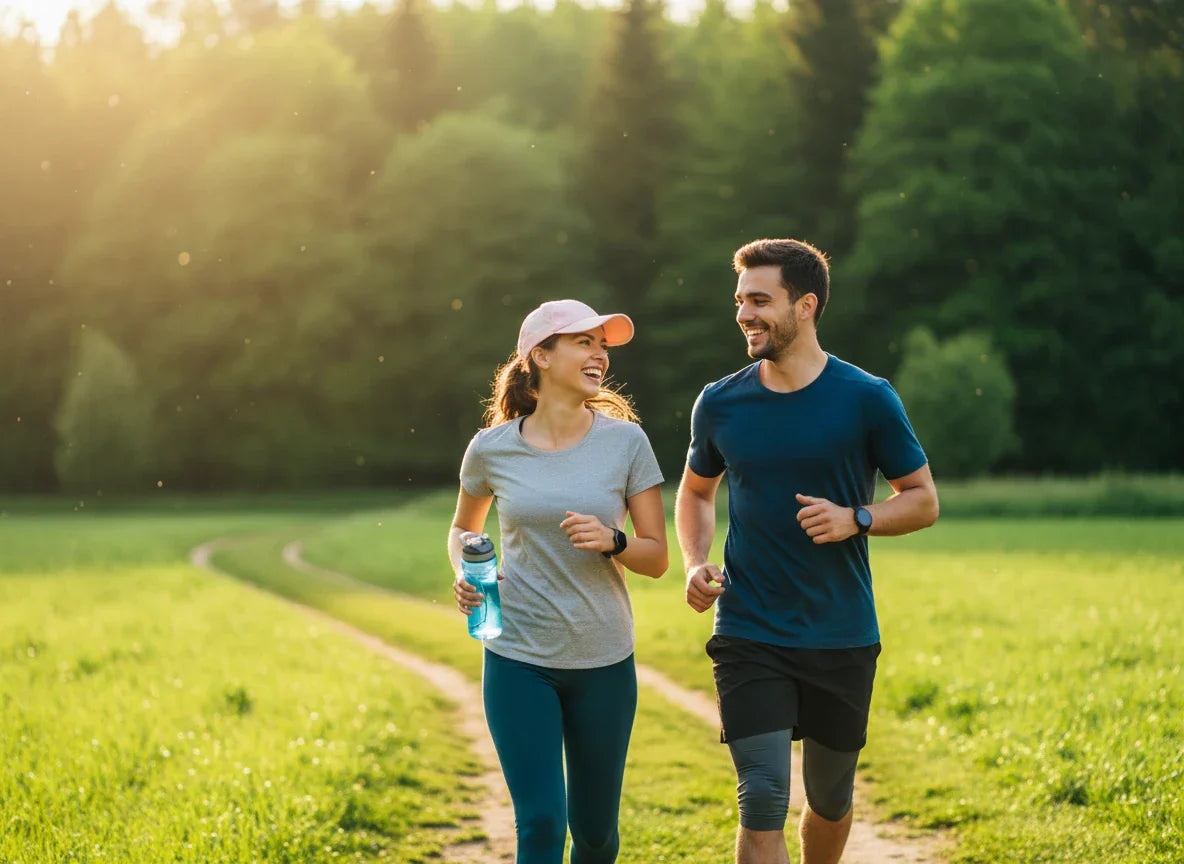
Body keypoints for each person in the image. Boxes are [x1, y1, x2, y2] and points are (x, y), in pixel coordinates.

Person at [675, 239, 939, 864]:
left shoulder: (867, 397)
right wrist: (694, 559)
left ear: (807, 305)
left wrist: (859, 518)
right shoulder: (720, 402)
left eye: (760, 300)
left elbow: (923, 499)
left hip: (840, 630)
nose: (744, 314)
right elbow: (694, 493)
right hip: (749, 625)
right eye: (740, 301)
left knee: (829, 797)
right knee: (762, 795)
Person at [449, 299, 668, 864]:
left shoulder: (627, 443)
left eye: (602, 345)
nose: (599, 355)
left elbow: (656, 558)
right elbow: (462, 528)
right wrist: (465, 572)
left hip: (603, 660)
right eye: (583, 342)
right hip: (518, 655)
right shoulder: (492, 448)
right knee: (542, 824)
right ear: (540, 357)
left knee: (594, 833)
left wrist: (613, 541)